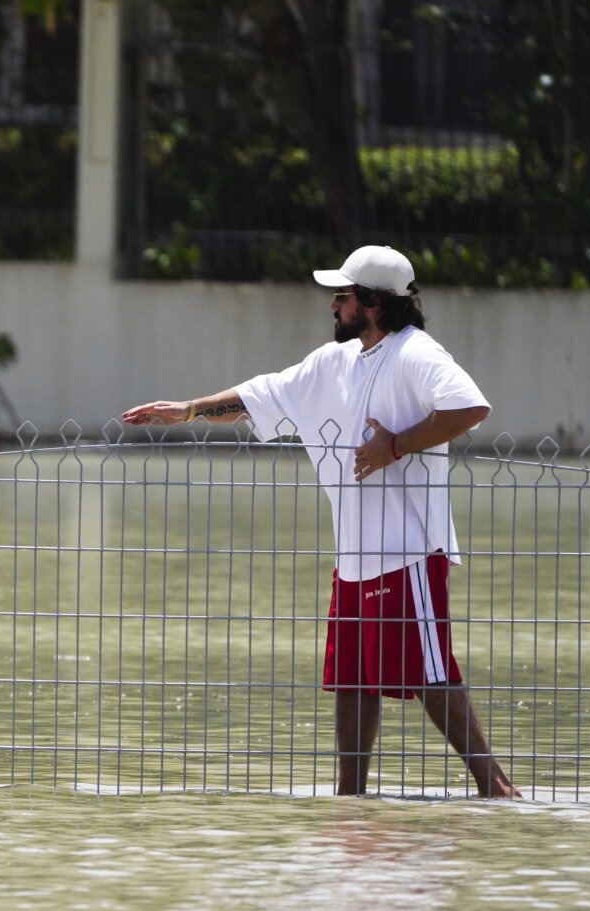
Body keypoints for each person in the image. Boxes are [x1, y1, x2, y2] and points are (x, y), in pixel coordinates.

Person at [123, 244, 520, 799]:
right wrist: (188, 409)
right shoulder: (335, 361)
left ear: (375, 304)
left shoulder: (415, 352)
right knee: (353, 680)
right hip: (354, 559)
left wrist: (397, 446)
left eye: (342, 295)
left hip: (408, 552)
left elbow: (471, 407)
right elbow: (263, 394)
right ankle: (350, 800)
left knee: (430, 675)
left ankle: (497, 791)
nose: (333, 305)